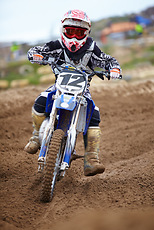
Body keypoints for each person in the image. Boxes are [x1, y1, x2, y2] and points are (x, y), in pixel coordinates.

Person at [24, 9, 121, 177]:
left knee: (94, 115)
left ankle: (91, 158)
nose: (74, 37)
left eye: (79, 32)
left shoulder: (91, 48)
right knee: (41, 100)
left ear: (87, 32)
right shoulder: (56, 46)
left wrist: (114, 68)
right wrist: (37, 55)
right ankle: (35, 137)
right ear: (63, 30)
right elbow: (35, 51)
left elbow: (107, 60)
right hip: (59, 87)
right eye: (70, 32)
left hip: (82, 91)